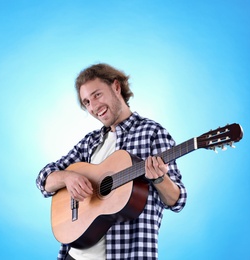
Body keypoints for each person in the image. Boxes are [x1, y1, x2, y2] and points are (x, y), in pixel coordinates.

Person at [36, 63, 187, 260]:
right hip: (73, 255)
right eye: (87, 102)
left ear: (116, 87)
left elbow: (177, 200)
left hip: (127, 255)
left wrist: (159, 179)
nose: (93, 106)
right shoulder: (91, 142)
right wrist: (67, 178)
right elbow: (43, 179)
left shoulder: (152, 133)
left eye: (97, 95)